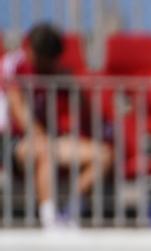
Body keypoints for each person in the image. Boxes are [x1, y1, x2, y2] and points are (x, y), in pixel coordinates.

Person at [1, 22, 113, 229]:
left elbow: (80, 112)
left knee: (103, 155)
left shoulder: (57, 72)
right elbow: (18, 109)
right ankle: (50, 220)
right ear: (32, 51)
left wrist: (70, 86)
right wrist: (39, 134)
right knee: (45, 149)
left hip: (48, 141)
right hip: (13, 142)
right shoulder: (13, 65)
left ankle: (68, 212)